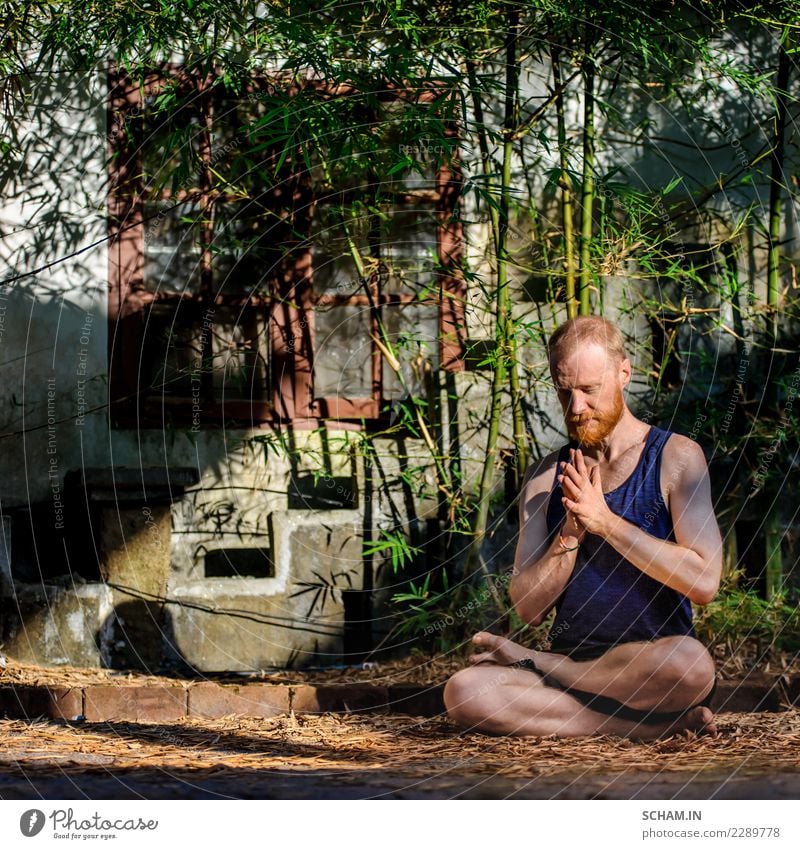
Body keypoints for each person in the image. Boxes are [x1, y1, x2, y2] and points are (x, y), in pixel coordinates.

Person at [444, 316, 723, 739]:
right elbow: (528, 608)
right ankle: (642, 730)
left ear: (624, 373)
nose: (575, 408)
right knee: (465, 691)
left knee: (691, 664)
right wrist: (570, 536)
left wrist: (606, 523)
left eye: (589, 390)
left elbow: (704, 582)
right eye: (564, 390)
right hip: (567, 683)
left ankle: (547, 665)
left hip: (650, 671)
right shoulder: (544, 478)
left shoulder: (677, 458)